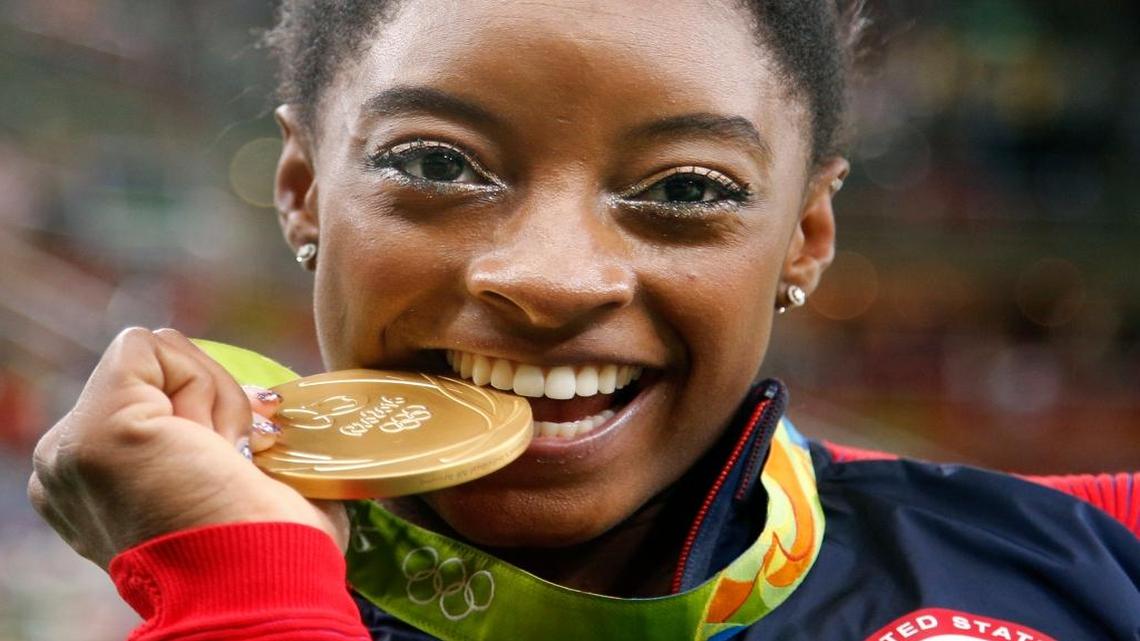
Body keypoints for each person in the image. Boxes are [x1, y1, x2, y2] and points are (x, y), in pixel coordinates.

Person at [28, 1, 1140, 639]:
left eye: (689, 187)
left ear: (803, 235)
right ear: (305, 189)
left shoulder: (1089, 553)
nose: (554, 280)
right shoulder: (225, 590)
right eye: (435, 163)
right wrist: (246, 581)